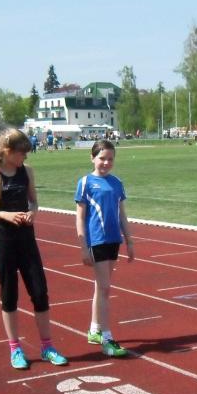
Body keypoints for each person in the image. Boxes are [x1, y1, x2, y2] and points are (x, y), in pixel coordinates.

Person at [0, 128, 67, 370]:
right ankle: (15, 348)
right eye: (22, 153)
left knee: (39, 292)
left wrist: (32, 213)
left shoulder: (27, 172)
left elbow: (34, 201)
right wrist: (4, 214)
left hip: (27, 239)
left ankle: (47, 346)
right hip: (3, 241)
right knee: (9, 294)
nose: (25, 157)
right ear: (8, 151)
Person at [75, 140, 134, 356]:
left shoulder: (117, 183)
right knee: (105, 288)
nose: (106, 163)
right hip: (97, 241)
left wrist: (129, 241)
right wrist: (83, 247)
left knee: (101, 288)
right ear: (92, 158)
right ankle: (107, 337)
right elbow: (80, 217)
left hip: (113, 240)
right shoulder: (85, 182)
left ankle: (94, 329)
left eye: (110, 159)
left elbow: (122, 215)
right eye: (102, 158)